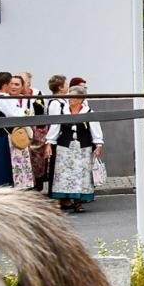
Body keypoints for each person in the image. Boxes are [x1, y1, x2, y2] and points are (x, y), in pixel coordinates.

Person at [47, 78, 104, 212]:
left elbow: (95, 130)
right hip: (64, 147)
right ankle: (59, 200)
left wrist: (98, 145)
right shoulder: (62, 111)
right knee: (63, 174)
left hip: (83, 148)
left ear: (80, 99)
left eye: (72, 97)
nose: (69, 99)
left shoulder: (88, 112)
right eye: (69, 96)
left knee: (81, 174)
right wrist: (49, 143)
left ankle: (77, 202)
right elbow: (55, 128)